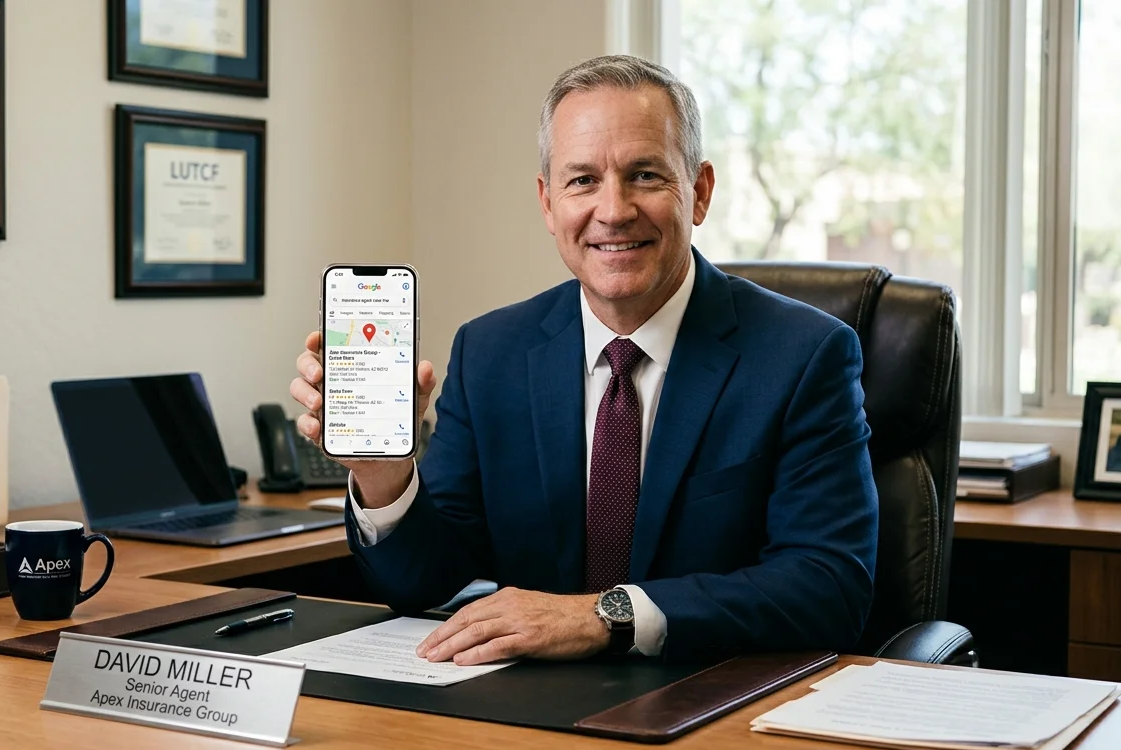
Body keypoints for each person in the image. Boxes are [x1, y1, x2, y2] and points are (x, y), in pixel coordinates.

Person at [290, 55, 878, 665]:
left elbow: (827, 588)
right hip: (527, 715)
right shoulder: (490, 352)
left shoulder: (805, 354)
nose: (614, 209)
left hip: (711, 705)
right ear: (548, 203)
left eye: (646, 175)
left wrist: (604, 615)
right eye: (581, 181)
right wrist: (383, 475)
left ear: (699, 192)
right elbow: (424, 583)